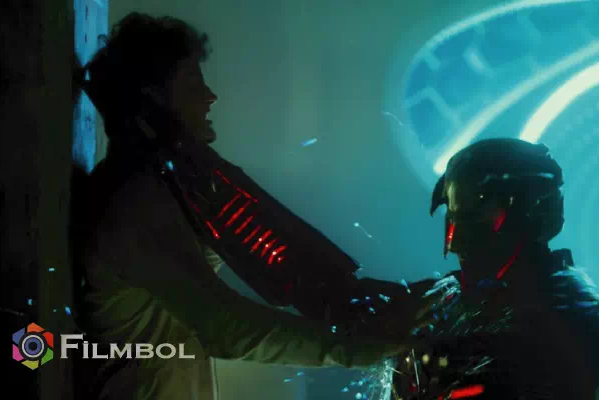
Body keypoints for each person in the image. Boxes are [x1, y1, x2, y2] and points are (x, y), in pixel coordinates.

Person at [72, 12, 433, 400]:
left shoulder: (169, 189)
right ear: (153, 95)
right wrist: (353, 347)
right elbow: (226, 327)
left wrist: (362, 306)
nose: (210, 97)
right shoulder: (135, 201)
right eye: (192, 82)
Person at [391, 138, 599, 399]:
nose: (459, 237)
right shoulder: (455, 297)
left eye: (479, 212)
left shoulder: (576, 317)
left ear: (527, 210)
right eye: (457, 213)